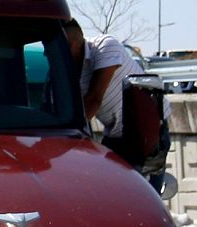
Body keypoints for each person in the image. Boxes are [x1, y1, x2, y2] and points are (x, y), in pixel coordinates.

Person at [64, 19, 171, 192]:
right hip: (114, 135)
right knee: (108, 193)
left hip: (146, 132)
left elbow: (94, 99)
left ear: (71, 45)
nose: (47, 54)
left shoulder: (106, 46)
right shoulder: (66, 70)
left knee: (143, 196)